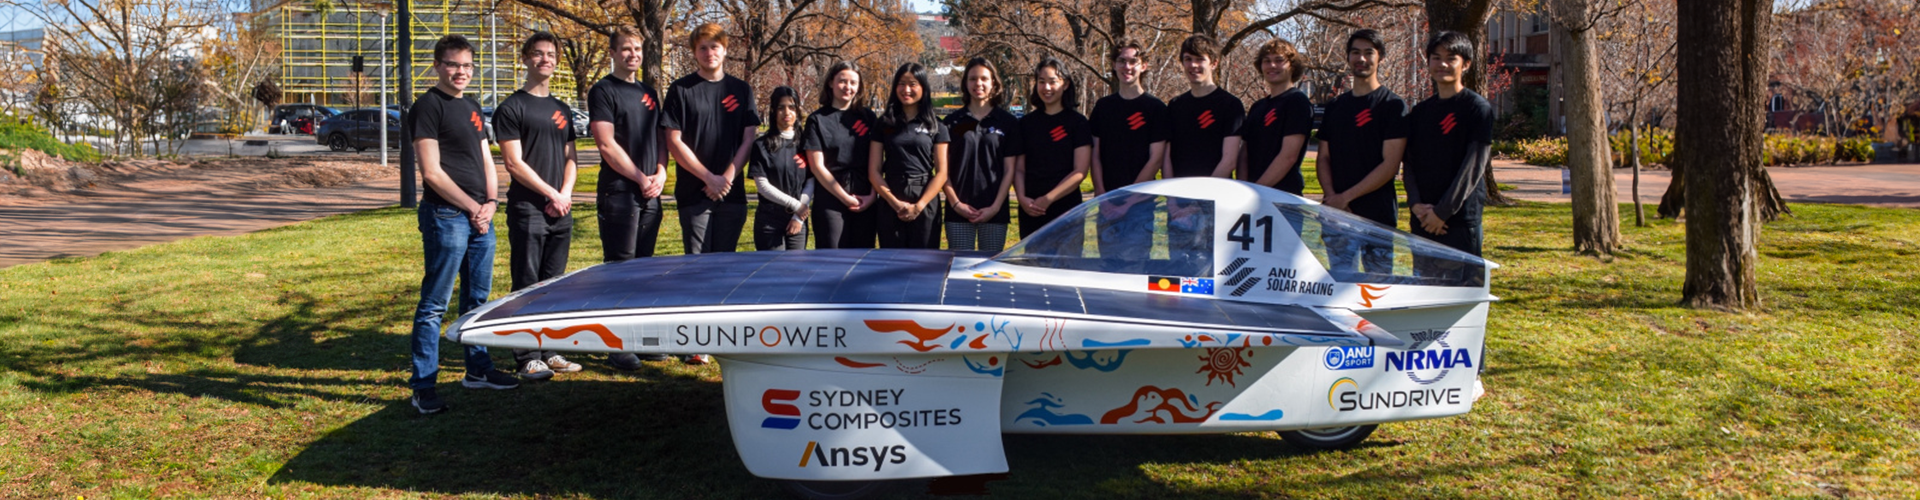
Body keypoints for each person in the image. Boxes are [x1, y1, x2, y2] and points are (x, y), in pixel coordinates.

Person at [406, 34, 519, 414]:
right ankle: (423, 385)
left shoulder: (471, 105)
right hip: (447, 216)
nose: (461, 72)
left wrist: (491, 202)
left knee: (478, 301)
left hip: (479, 216)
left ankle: (478, 370)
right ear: (438, 65)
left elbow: (486, 159)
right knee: (434, 305)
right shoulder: (427, 107)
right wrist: (472, 207)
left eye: (468, 66)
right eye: (454, 64)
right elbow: (432, 173)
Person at [496, 31, 585, 380]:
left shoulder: (562, 109)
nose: (544, 59)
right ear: (525, 59)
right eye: (537, 54)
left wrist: (564, 193)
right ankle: (527, 356)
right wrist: (551, 194)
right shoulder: (511, 107)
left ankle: (551, 349)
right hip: (529, 209)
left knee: (556, 283)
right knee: (527, 282)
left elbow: (571, 158)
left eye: (550, 54)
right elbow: (514, 163)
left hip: (560, 208)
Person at [589, 25, 672, 368]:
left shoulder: (650, 92)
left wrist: (661, 173)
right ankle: (617, 345)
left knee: (644, 269)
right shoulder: (603, 91)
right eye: (626, 49)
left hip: (650, 191)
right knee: (620, 269)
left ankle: (641, 338)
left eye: (637, 49)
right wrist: (639, 177)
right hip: (620, 191)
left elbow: (661, 140)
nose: (632, 55)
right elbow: (606, 144)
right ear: (612, 52)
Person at [1317, 29, 1410, 276]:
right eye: (1355, 52)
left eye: (1369, 53)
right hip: (1335, 217)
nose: (1362, 59)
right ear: (1348, 58)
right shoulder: (1336, 106)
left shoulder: (1392, 106)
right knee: (1338, 288)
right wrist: (1332, 197)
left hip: (1376, 217)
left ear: (1380, 57)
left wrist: (1345, 197)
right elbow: (1323, 157)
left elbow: (1390, 165)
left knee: (1376, 292)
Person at [664, 22, 759, 257]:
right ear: (695, 53)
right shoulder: (680, 89)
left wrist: (725, 180)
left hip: (731, 194)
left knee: (727, 265)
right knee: (697, 268)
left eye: (715, 47)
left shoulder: (741, 90)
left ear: (725, 50)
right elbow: (674, 141)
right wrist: (709, 179)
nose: (709, 53)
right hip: (694, 193)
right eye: (703, 48)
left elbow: (748, 140)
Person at [1403, 31, 1494, 270]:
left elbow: (1473, 166)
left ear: (1466, 65)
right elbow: (1409, 162)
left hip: (1460, 219)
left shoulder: (1477, 108)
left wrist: (1442, 213)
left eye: (1451, 58)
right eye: (1435, 57)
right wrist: (1415, 204)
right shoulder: (1420, 112)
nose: (1442, 64)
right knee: (1423, 293)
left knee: (1462, 295)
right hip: (1422, 217)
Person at [1089, 40, 1170, 266]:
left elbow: (1156, 159)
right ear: (1114, 66)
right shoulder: (1103, 107)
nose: (1127, 67)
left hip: (1141, 205)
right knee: (1107, 270)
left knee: (1134, 272)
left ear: (1143, 66)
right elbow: (1095, 154)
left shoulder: (1156, 109)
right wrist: (1102, 194)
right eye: (1122, 61)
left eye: (1134, 61)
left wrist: (1128, 202)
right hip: (1106, 204)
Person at [941, 57, 1021, 252]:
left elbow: (1010, 169)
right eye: (973, 79)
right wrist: (956, 204)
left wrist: (994, 207)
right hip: (958, 212)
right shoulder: (951, 122)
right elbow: (942, 170)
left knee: (991, 272)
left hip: (995, 211)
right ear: (965, 83)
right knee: (960, 270)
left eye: (984, 79)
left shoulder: (1008, 122)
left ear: (993, 83)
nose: (978, 84)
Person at [867, 62, 950, 249]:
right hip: (891, 196)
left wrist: (919, 206)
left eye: (913, 84)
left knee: (925, 264)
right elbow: (874, 171)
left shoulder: (937, 125)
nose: (906, 89)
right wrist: (894, 203)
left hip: (925, 198)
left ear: (923, 87)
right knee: (892, 263)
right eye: (901, 84)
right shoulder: (883, 124)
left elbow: (942, 173)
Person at [802, 62, 880, 249]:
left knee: (863, 263)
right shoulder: (817, 120)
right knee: (833, 261)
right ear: (831, 83)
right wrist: (845, 198)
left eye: (853, 82)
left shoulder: (868, 118)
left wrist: (872, 196)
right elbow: (817, 166)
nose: (848, 87)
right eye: (842, 81)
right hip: (831, 201)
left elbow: (877, 161)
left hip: (865, 199)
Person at [1016, 57, 1092, 245]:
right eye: (1041, 82)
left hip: (1067, 210)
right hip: (1031, 210)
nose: (1046, 88)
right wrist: (1022, 198)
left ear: (1065, 84)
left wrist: (1048, 199)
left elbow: (1080, 171)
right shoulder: (1025, 124)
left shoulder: (1078, 123)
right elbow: (1019, 169)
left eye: (1053, 82)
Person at [1237, 37, 1314, 195]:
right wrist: (1244, 188)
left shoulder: (1297, 102)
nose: (1272, 66)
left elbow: (1288, 156)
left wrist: (1257, 190)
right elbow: (1244, 152)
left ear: (1292, 66)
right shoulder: (1257, 107)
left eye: (1279, 60)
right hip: (1251, 196)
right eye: (1267, 61)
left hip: (1283, 197)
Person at [1163, 35, 1244, 180]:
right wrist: (1170, 192)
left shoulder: (1230, 105)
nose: (1193, 65)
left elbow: (1229, 160)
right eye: (1188, 59)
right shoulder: (1175, 105)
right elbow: (1167, 156)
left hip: (1216, 194)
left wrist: (1204, 194)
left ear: (1213, 63)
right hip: (1178, 194)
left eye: (1200, 59)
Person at [750, 86, 813, 250]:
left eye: (792, 107)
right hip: (769, 221)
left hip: (798, 219)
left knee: (796, 271)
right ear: (773, 111)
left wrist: (798, 216)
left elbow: (811, 181)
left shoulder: (806, 144)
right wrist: (796, 205)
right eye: (781, 107)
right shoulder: (761, 145)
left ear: (798, 110)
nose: (787, 112)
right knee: (773, 273)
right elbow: (762, 186)